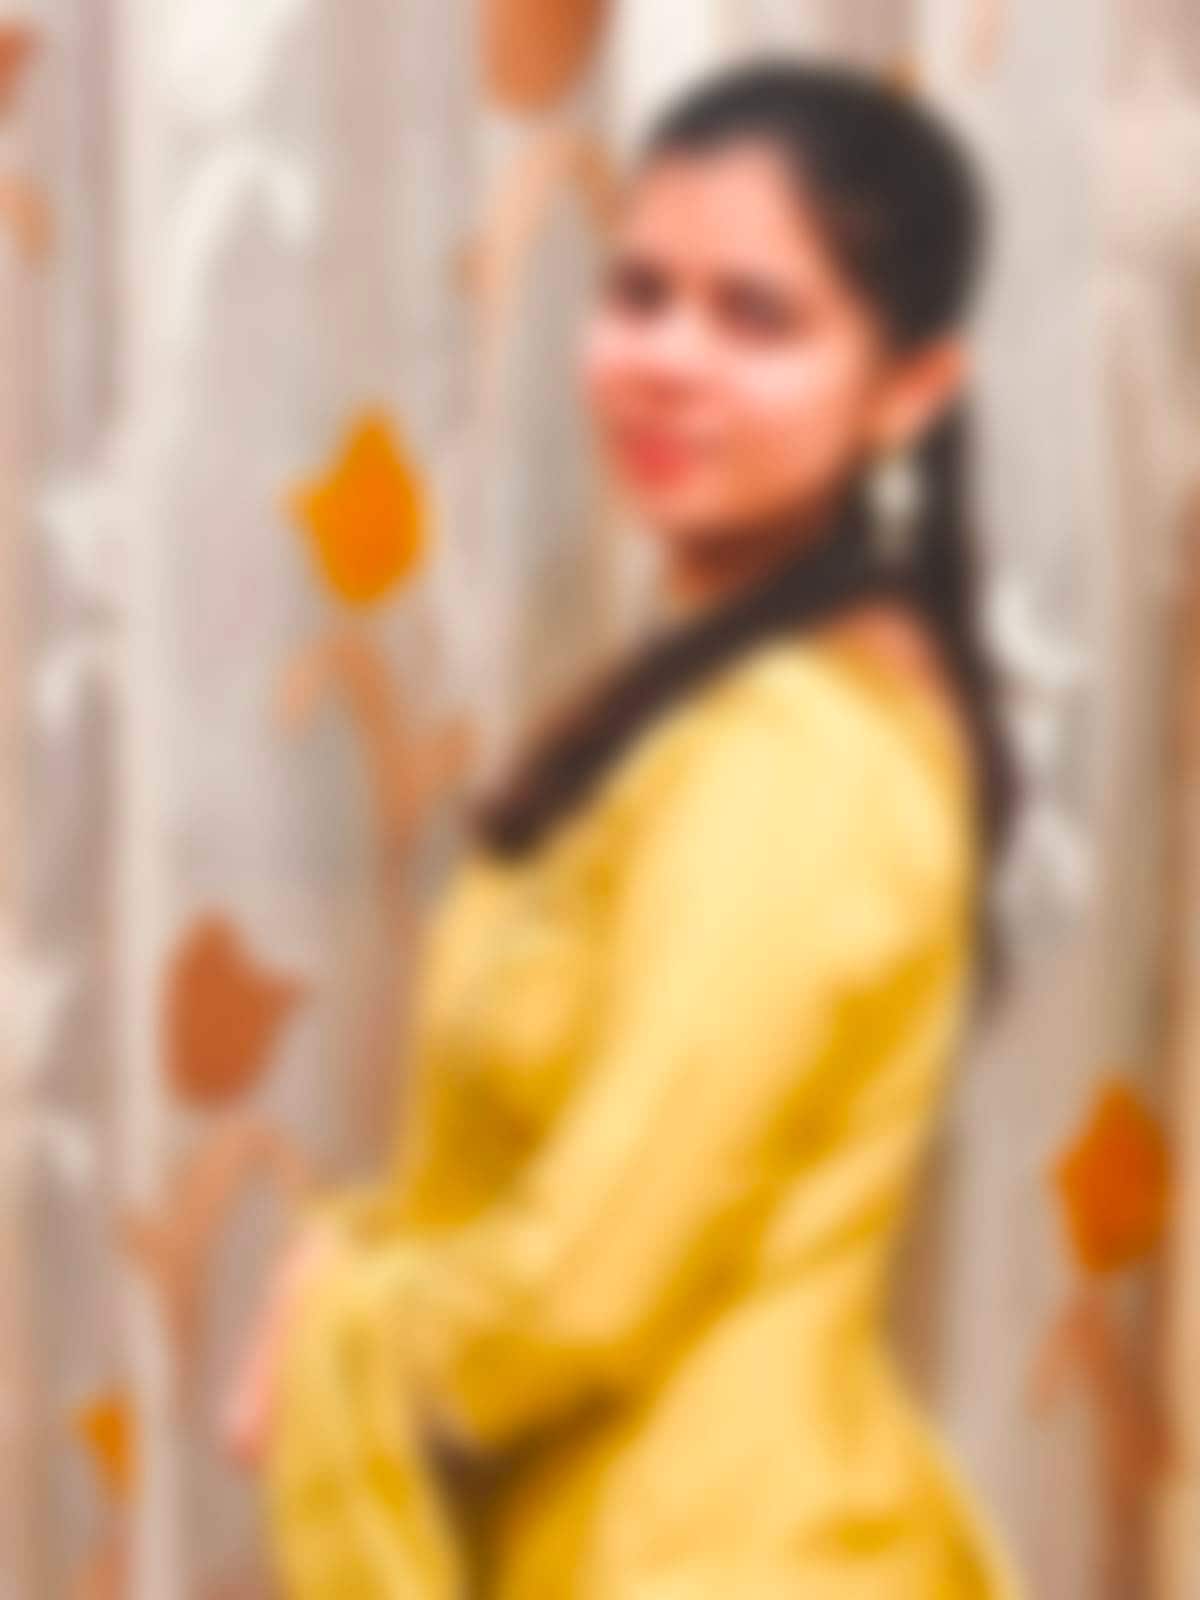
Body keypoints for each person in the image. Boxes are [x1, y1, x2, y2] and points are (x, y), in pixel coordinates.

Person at [222, 57, 1026, 1598]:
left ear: (910, 390)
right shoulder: (724, 709)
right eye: (640, 294)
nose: (667, 359)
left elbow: (580, 1288)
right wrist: (356, 1275)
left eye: (757, 316)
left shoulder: (800, 759)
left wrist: (333, 1320)